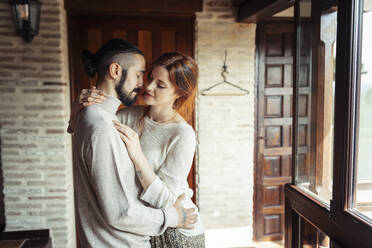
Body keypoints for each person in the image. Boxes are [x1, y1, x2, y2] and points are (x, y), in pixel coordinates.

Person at [70, 51, 205, 247]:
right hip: (147, 226)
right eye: (150, 77)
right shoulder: (129, 116)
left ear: (179, 93)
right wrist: (76, 110)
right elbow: (93, 135)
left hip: (179, 230)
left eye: (160, 85)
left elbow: (168, 200)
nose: (148, 86)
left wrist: (137, 155)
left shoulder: (183, 134)